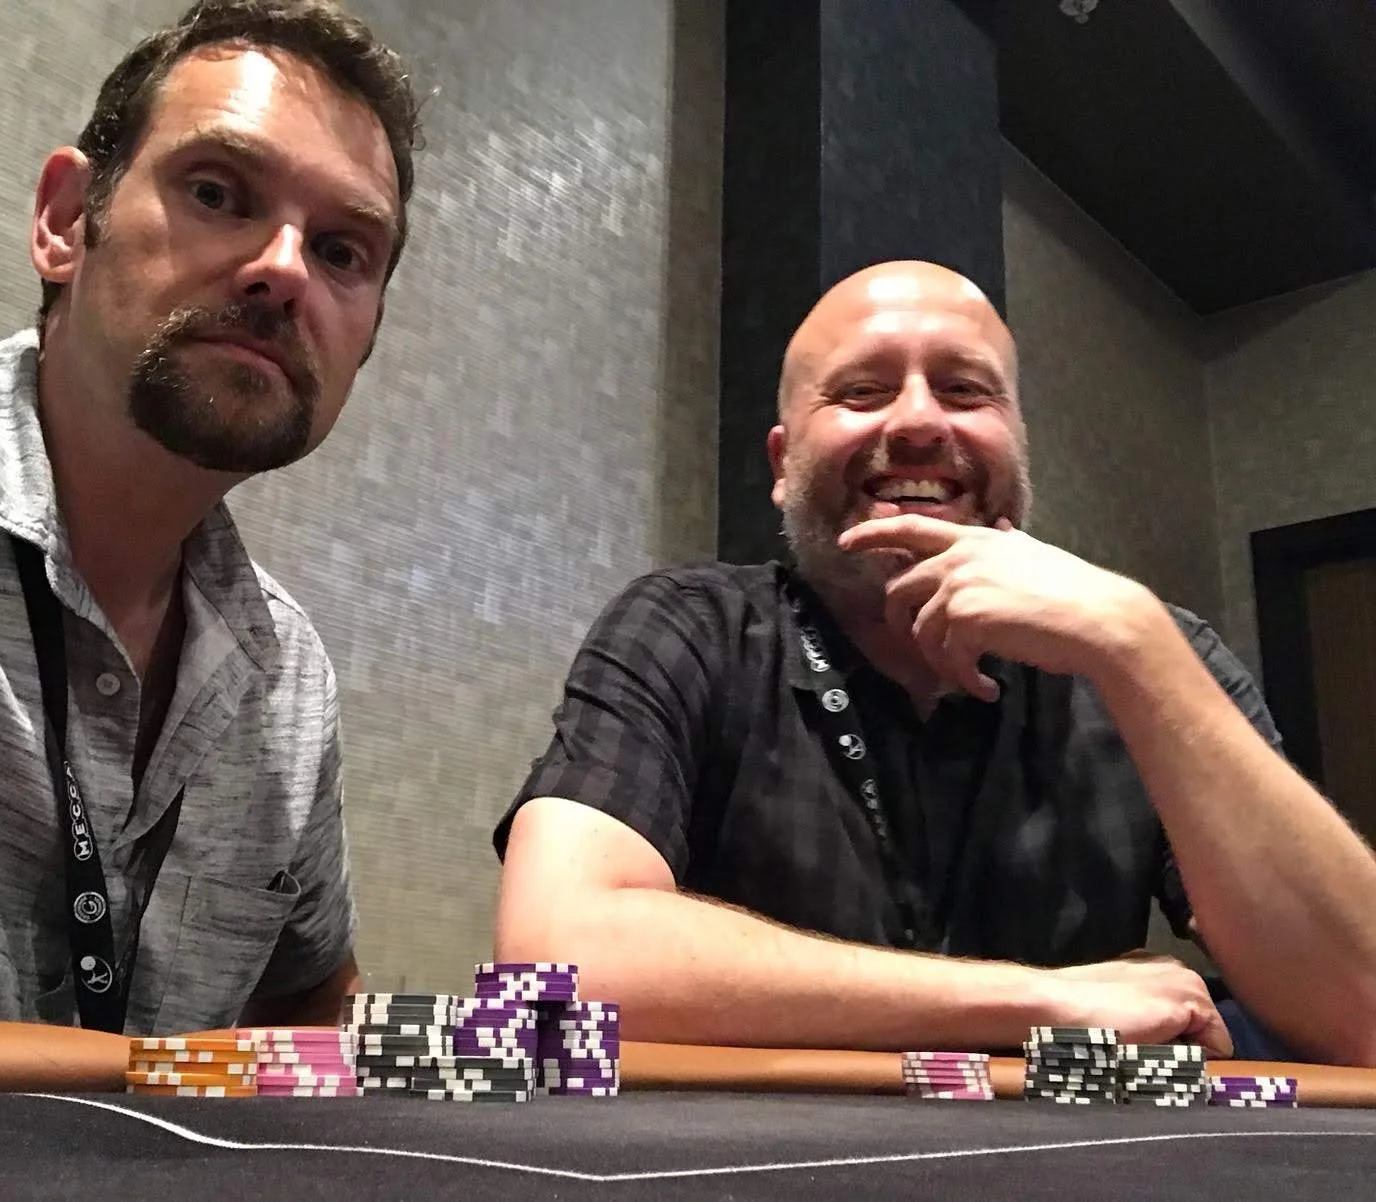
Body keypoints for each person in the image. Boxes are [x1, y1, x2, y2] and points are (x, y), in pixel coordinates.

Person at [493, 261, 1376, 1066]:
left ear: (1015, 443)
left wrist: (1139, 646)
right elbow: (553, 965)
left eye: (964, 389)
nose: (918, 421)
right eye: (863, 391)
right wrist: (1039, 1003)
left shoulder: (1155, 653)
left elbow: (1363, 1011)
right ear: (783, 463)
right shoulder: (687, 627)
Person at [0, 0, 419, 1035]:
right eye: (217, 192)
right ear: (68, 221)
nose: (285, 267)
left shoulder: (288, 678)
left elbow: (307, 1011)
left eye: (344, 251)